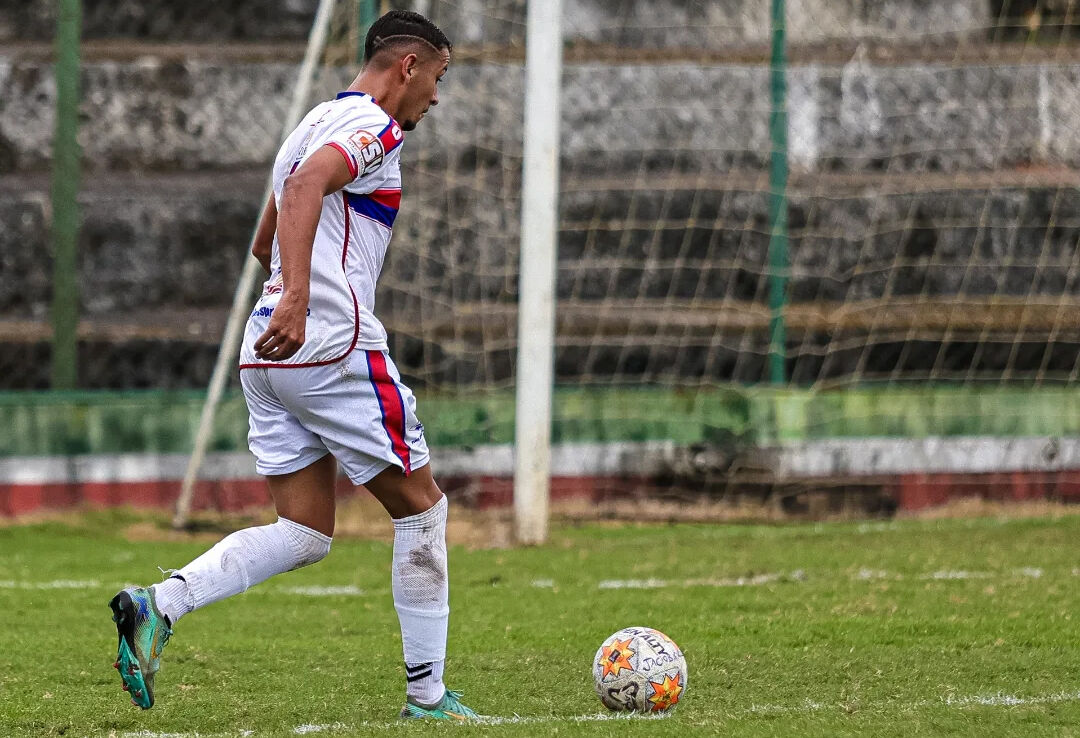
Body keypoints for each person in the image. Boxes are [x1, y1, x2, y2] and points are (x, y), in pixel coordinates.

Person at [108, 10, 477, 721]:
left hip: (268, 353)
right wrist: (304, 298)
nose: (436, 95)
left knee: (304, 531)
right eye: (438, 76)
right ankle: (428, 698)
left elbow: (263, 243)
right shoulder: (375, 126)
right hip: (331, 345)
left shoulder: (310, 123)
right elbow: (307, 190)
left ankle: (160, 604)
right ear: (408, 66)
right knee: (424, 510)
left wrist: (289, 298)